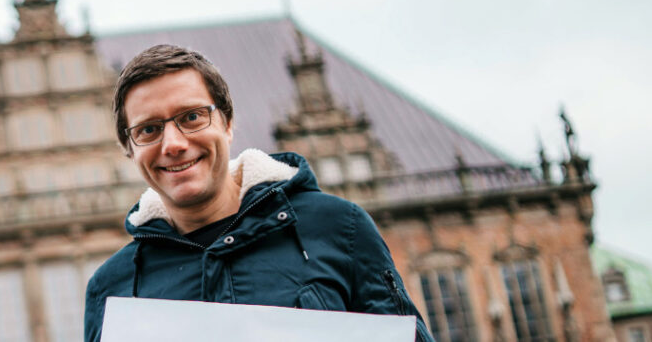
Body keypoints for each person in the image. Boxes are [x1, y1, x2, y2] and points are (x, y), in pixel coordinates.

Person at [84, 44, 434, 342]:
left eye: (191, 117)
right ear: (129, 149)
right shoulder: (111, 287)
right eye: (148, 129)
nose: (173, 144)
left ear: (229, 123)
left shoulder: (339, 227)